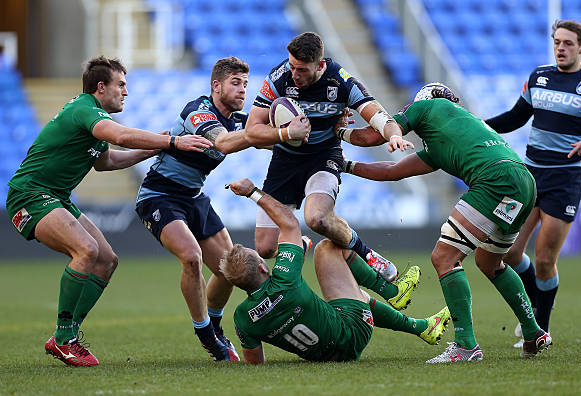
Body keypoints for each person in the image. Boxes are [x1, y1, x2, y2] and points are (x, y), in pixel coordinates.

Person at [5, 56, 212, 367]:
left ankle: (66, 337)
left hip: (56, 196)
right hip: (30, 195)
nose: (126, 92)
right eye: (121, 85)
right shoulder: (85, 109)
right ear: (101, 87)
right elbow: (121, 136)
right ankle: (63, 340)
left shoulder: (91, 116)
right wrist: (171, 140)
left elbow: (107, 162)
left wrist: (158, 147)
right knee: (86, 250)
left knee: (106, 260)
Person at [338, 83, 552, 363]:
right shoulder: (449, 138)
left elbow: (373, 136)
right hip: (523, 181)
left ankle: (465, 345)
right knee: (491, 263)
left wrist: (335, 131)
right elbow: (392, 171)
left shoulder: (426, 106)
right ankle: (533, 330)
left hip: (493, 180)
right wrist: (345, 165)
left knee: (444, 258)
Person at [220, 177, 450, 363]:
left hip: (325, 357)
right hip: (352, 333)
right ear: (262, 266)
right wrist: (252, 192)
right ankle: (392, 291)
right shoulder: (284, 278)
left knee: (352, 294)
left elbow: (254, 362)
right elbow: (289, 223)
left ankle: (422, 327)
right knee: (327, 248)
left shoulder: (242, 318)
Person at [244, 32, 412, 283]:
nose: (294, 74)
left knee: (317, 219)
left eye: (301, 69)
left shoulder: (340, 80)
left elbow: (379, 116)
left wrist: (394, 136)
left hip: (323, 157)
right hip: (285, 160)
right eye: (291, 66)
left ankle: (366, 254)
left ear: (320, 65)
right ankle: (299, 243)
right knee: (265, 248)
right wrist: (287, 132)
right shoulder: (279, 77)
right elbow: (251, 130)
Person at [484, 20, 581, 346]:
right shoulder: (539, 76)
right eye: (557, 42)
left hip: (565, 179)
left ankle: (539, 328)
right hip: (529, 175)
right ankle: (538, 302)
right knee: (510, 252)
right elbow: (515, 117)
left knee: (544, 260)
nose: (560, 48)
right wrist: (476, 125)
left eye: (568, 43)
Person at [135, 57, 257, 361]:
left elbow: (262, 135)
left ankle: (215, 326)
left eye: (245, 83)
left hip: (193, 197)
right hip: (159, 196)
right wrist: (274, 133)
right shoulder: (198, 112)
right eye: (235, 83)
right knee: (191, 257)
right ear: (216, 86)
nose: (243, 90)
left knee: (231, 269)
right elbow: (226, 143)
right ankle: (206, 335)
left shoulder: (237, 119)